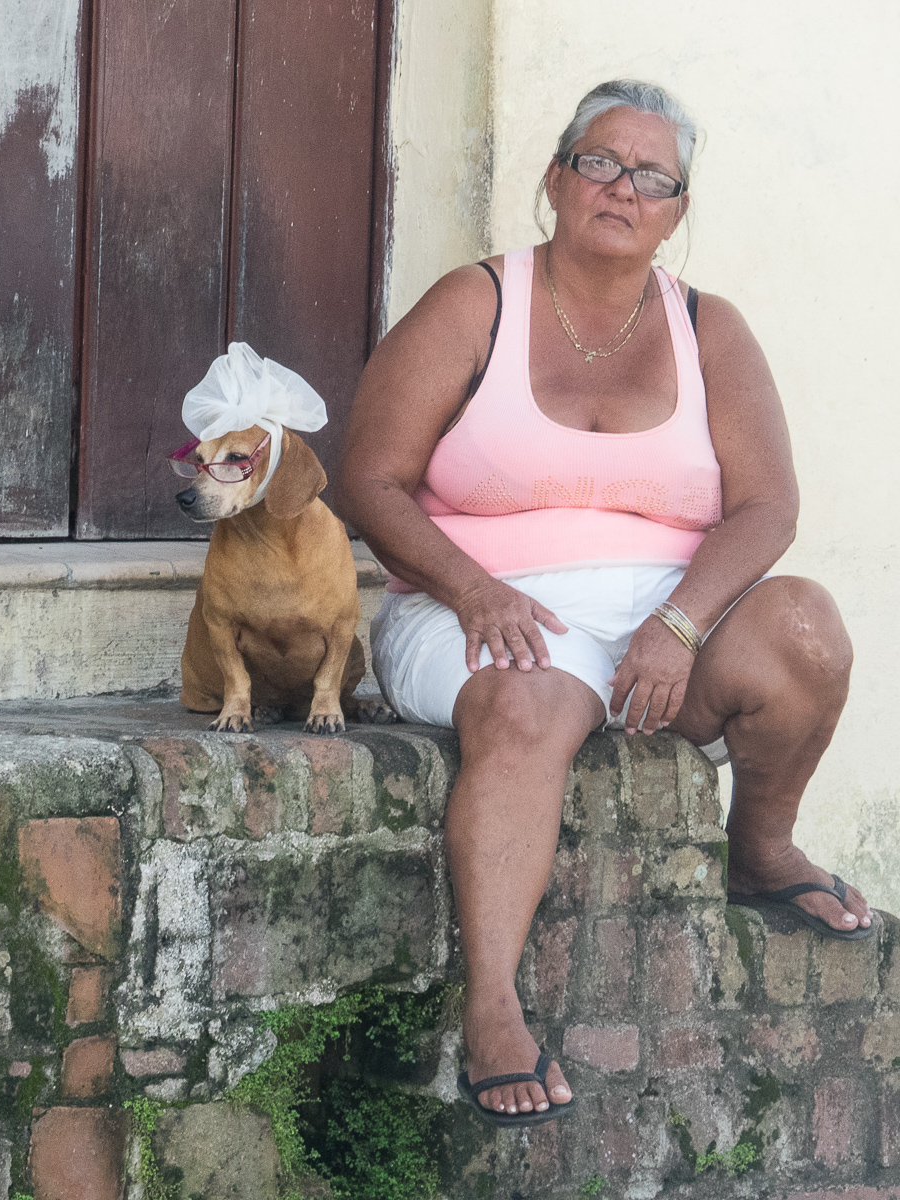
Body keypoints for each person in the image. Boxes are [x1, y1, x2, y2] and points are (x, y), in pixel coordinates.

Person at [337, 80, 872, 1126]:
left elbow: (768, 509)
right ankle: (492, 1007)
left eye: (653, 177)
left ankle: (760, 849)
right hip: (486, 607)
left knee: (805, 626)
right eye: (599, 162)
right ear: (555, 179)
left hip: (668, 624)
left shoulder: (709, 329)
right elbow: (370, 479)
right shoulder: (475, 301)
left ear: (676, 209)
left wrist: (680, 623)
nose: (623, 188)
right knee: (526, 705)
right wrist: (470, 586)